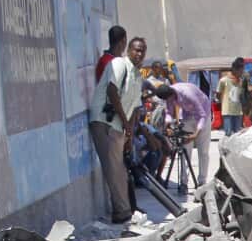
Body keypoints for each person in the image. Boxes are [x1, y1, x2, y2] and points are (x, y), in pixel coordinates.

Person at [90, 36, 147, 223]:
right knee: (114, 169)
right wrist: (123, 120)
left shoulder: (138, 76)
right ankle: (122, 214)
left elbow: (134, 108)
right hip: (104, 122)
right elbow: (112, 91)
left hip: (117, 126)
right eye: (136, 50)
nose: (139, 54)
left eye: (142, 51)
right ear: (128, 49)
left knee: (120, 170)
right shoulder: (119, 64)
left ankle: (122, 211)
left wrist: (129, 133)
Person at [152, 82, 212, 188]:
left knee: (203, 151)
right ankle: (184, 181)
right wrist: (167, 125)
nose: (168, 102)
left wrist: (195, 134)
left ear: (171, 95)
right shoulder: (168, 94)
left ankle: (202, 181)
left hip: (204, 114)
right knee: (185, 151)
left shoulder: (188, 94)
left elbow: (201, 115)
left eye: (168, 99)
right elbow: (169, 112)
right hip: (187, 115)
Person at [217, 58, 246, 135]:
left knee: (238, 134)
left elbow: (242, 96)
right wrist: (223, 103)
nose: (242, 73)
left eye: (242, 71)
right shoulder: (223, 81)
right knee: (228, 134)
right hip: (227, 112)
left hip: (238, 112)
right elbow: (218, 94)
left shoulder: (242, 82)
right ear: (234, 69)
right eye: (240, 71)